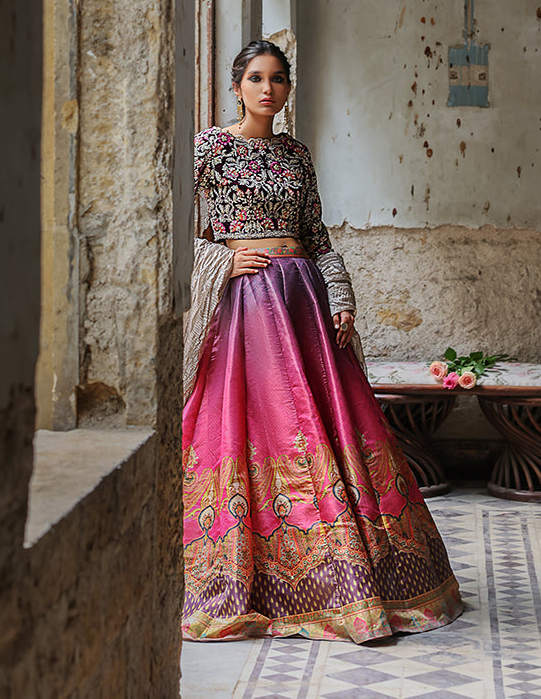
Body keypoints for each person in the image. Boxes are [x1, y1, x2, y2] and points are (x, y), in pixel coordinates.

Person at [182, 40, 463, 642]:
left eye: (278, 79)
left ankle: (351, 575)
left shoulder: (297, 155)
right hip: (247, 305)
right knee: (264, 422)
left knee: (330, 422)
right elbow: (175, 224)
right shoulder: (209, 147)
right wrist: (218, 261)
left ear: (287, 89)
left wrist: (342, 297)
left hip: (302, 299)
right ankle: (259, 578)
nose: (267, 89)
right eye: (255, 79)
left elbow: (317, 232)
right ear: (236, 87)